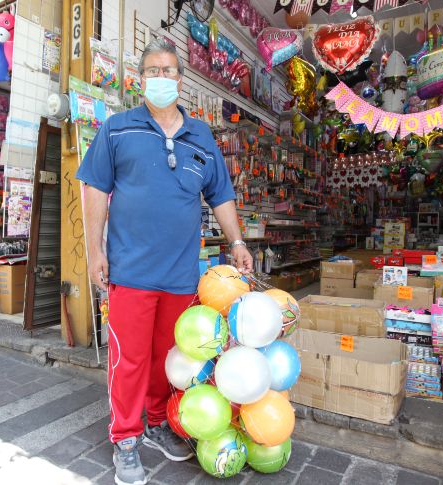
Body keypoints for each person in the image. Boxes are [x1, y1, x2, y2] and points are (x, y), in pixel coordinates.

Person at [76, 37, 254, 485]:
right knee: (129, 359)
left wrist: (237, 243)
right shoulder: (117, 128)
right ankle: (125, 437)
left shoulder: (201, 137)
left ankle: (156, 423)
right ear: (141, 79)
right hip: (131, 270)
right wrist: (95, 249)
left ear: (180, 79)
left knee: (167, 357)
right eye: (152, 70)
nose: (161, 77)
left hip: (180, 274)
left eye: (168, 70)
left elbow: (221, 195)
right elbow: (94, 187)